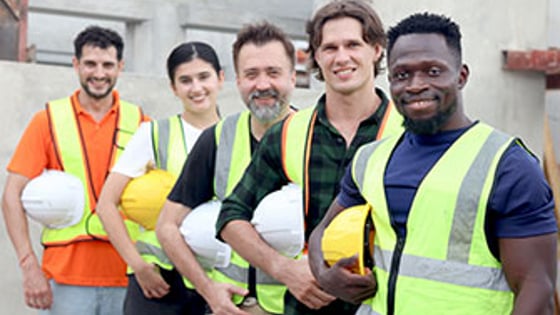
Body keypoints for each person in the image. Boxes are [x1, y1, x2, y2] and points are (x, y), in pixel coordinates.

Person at [308, 12, 558, 315]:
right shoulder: (370, 159)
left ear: (461, 76)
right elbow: (321, 232)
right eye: (402, 74)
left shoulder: (508, 166)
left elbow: (537, 288)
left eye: (433, 71)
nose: (415, 85)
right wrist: (324, 274)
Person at [216, 1, 402, 314]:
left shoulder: (408, 132)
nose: (341, 57)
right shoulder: (288, 133)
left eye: (353, 44)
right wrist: (284, 270)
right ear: (315, 56)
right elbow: (231, 216)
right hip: (306, 307)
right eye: (329, 47)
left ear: (377, 50)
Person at [1, 25, 149, 314]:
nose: (99, 73)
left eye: (108, 65)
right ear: (75, 64)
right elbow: (11, 196)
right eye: (90, 64)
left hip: (128, 276)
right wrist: (28, 265)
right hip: (65, 279)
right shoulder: (47, 120)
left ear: (120, 66)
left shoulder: (142, 123)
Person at [156, 21, 296, 315]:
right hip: (231, 308)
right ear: (237, 81)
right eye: (251, 74)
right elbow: (167, 226)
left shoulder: (316, 137)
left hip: (298, 306)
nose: (262, 85)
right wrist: (208, 289)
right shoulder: (218, 139)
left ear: (293, 77)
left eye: (273, 72)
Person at [96, 42, 223, 315]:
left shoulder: (238, 134)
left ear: (220, 78)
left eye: (204, 77)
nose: (196, 88)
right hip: (161, 282)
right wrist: (138, 265)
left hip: (219, 279)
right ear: (173, 88)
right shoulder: (152, 134)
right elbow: (105, 204)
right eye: (185, 80)